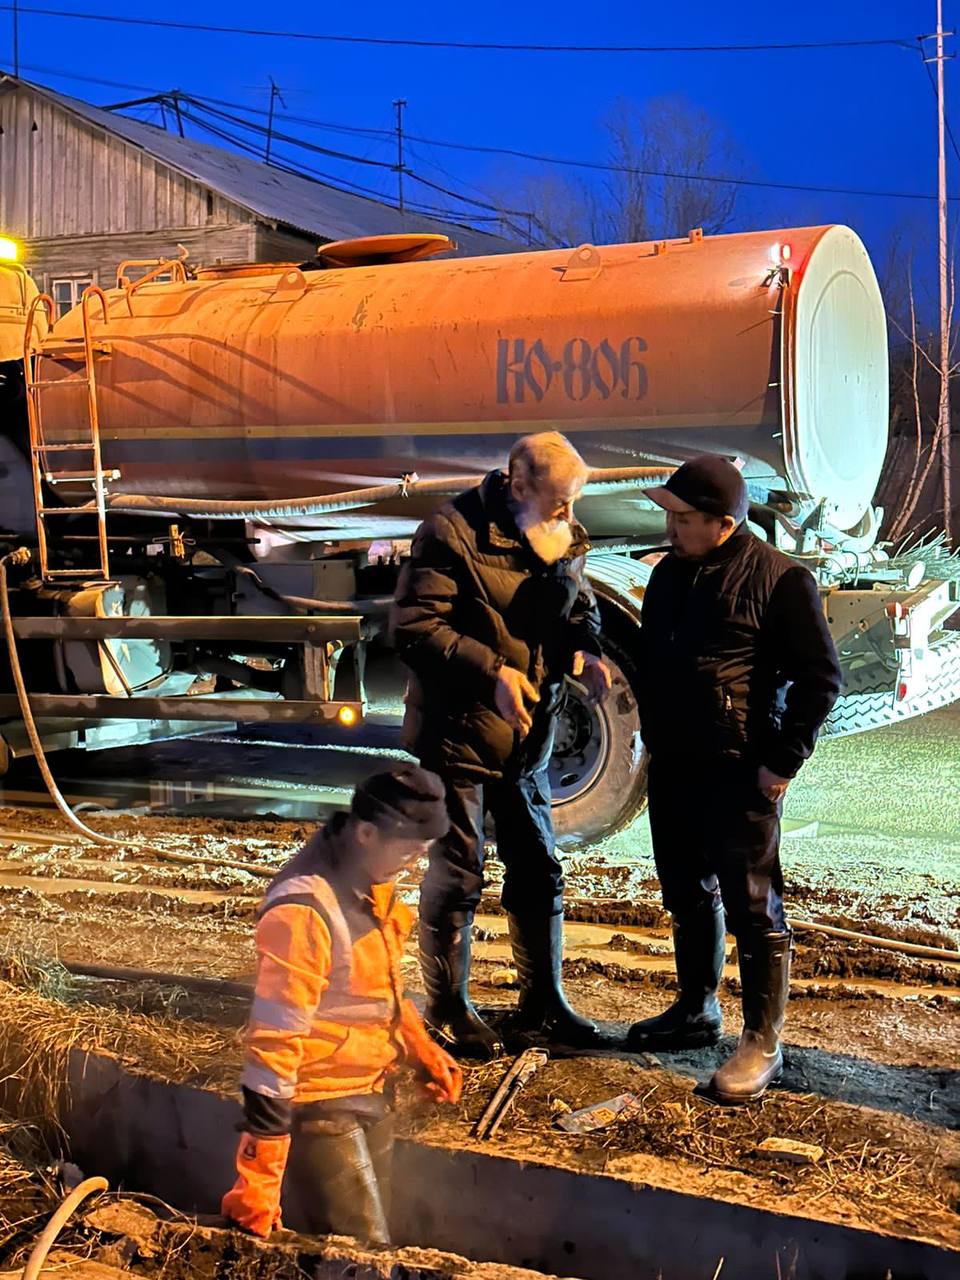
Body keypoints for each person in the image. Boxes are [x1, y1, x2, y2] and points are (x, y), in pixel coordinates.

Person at [627, 455, 842, 1104]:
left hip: (739, 773)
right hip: (676, 768)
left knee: (753, 908)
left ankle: (761, 1044)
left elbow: (821, 680)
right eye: (670, 515)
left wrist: (782, 762)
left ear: (724, 524)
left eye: (685, 518)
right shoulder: (668, 576)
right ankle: (696, 1009)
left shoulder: (780, 581)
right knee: (687, 892)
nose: (672, 527)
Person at [391, 432, 612, 1057]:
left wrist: (584, 650)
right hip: (457, 734)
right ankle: (447, 1009)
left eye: (574, 503)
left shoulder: (560, 531)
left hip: (525, 739)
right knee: (459, 871)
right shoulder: (450, 533)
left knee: (539, 868)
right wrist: (491, 672)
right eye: (559, 502)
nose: (570, 516)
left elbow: (579, 606)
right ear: (518, 486)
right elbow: (414, 628)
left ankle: (543, 1003)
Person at [221, 766, 462, 1243]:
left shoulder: (370, 876)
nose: (413, 865)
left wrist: (421, 1049)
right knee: (367, 1253)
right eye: (409, 852)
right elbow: (271, 1052)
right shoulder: (303, 911)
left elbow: (379, 988)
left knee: (362, 1247)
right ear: (368, 833)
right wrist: (259, 1182)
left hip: (370, 1087)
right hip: (321, 1105)